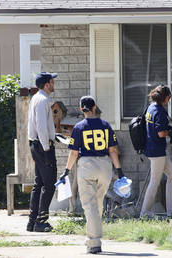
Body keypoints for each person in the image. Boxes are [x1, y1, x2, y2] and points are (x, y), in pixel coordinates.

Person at [59, 96, 124, 254]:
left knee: (89, 205)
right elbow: (113, 150)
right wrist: (119, 171)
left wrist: (66, 171)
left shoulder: (79, 127)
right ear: (95, 107)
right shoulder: (106, 125)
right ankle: (94, 238)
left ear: (82, 109)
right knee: (98, 202)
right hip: (105, 165)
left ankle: (94, 242)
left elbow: (74, 153)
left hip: (87, 165)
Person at [140, 85, 172, 218]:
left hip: (154, 149)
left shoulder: (150, 108)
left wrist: (169, 130)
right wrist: (171, 132)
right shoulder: (159, 110)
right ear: (166, 97)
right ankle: (145, 213)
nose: (169, 100)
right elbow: (161, 133)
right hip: (157, 151)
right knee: (154, 182)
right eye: (169, 97)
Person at [27, 72, 58, 232]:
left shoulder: (36, 98)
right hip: (42, 146)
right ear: (47, 84)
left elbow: (43, 126)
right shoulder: (43, 100)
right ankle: (41, 221)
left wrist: (54, 136)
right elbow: (41, 126)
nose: (54, 84)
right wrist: (47, 147)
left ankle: (32, 222)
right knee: (49, 184)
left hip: (37, 144)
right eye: (52, 82)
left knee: (39, 184)